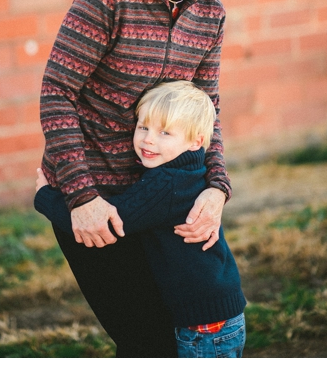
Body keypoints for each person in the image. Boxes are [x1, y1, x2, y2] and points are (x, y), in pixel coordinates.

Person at [39, 0, 253, 357]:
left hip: (157, 195)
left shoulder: (210, 16)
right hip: (96, 196)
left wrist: (217, 189)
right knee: (140, 338)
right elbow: (57, 93)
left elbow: (208, 110)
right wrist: (78, 196)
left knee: (169, 336)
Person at [35, 81, 246, 358]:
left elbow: (109, 223)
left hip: (203, 327)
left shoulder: (165, 183)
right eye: (143, 127)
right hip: (221, 313)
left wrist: (45, 197)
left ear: (196, 141)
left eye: (165, 132)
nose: (148, 139)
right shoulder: (193, 172)